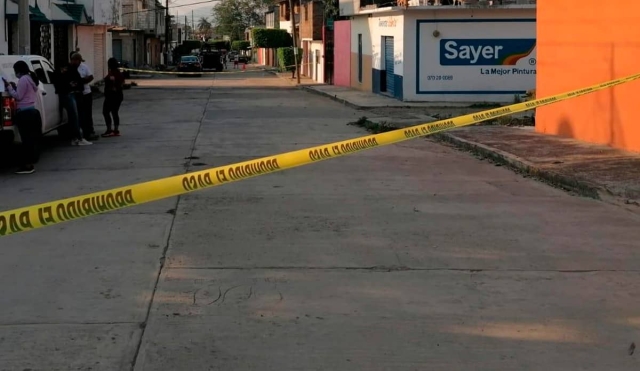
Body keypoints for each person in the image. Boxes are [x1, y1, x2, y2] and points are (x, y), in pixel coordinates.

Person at [2, 61, 43, 174]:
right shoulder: (30, 79)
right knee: (30, 139)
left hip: (24, 113)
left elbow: (18, 96)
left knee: (26, 140)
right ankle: (30, 163)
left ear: (18, 70)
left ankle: (27, 166)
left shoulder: (23, 79)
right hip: (31, 111)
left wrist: (9, 87)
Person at [54, 59, 92, 146]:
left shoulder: (61, 71)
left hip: (65, 94)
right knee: (74, 116)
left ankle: (75, 137)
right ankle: (78, 138)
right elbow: (77, 81)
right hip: (68, 94)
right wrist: (74, 86)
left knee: (72, 117)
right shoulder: (70, 70)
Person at [71, 53, 98, 141]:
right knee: (79, 114)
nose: (74, 62)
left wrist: (82, 81)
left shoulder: (84, 67)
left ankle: (90, 131)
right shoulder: (70, 68)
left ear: (79, 60)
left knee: (87, 113)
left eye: (76, 60)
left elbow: (91, 77)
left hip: (86, 93)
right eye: (73, 60)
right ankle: (79, 132)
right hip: (76, 94)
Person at [101, 58, 125, 137]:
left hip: (112, 96)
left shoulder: (114, 73)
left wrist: (113, 86)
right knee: (113, 112)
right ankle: (115, 130)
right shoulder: (115, 73)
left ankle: (110, 130)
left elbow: (118, 84)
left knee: (107, 112)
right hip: (116, 96)